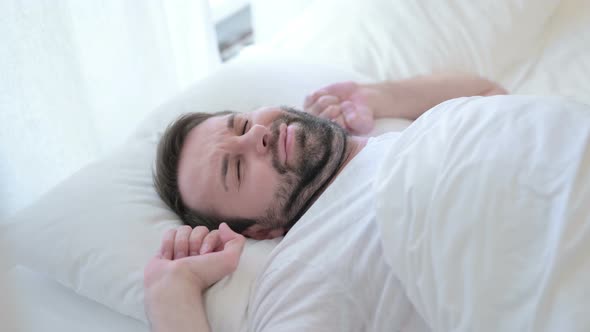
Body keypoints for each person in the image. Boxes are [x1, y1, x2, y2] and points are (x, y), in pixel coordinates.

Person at [145, 74, 508, 331]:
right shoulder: (307, 269)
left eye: (241, 125)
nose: (257, 135)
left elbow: (490, 91)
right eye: (236, 169)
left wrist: (375, 96)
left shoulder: (399, 136)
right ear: (261, 228)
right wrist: (170, 297)